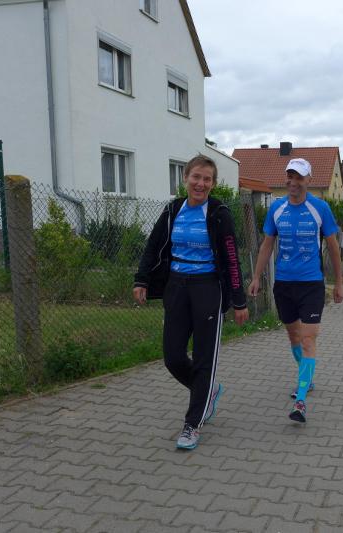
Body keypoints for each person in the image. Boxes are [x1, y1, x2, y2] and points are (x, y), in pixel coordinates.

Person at [133, 154, 249, 450]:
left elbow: (231, 259)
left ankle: (192, 424)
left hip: (208, 288)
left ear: (213, 184)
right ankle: (208, 391)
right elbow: (153, 245)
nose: (200, 184)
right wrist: (141, 279)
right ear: (185, 178)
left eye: (207, 179)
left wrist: (239, 301)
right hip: (176, 287)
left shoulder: (219, 213)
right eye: (196, 177)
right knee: (172, 357)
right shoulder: (173, 210)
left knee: (203, 359)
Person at [247, 158, 343, 423]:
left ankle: (300, 400)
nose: (293, 182)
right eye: (290, 176)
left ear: (308, 180)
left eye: (299, 177)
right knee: (293, 337)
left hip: (311, 283)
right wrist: (256, 277)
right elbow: (267, 244)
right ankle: (307, 378)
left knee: (308, 339)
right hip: (284, 284)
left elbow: (333, 246)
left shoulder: (320, 208)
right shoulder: (276, 208)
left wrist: (339, 281)